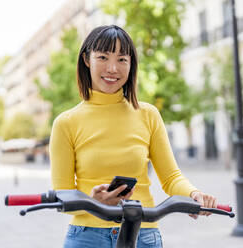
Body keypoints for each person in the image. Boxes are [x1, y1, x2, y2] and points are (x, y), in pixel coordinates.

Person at [49, 25, 217, 248]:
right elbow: (63, 194)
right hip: (87, 237)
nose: (112, 68)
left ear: (131, 65)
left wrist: (194, 194)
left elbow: (171, 177)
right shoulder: (66, 123)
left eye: (121, 60)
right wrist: (92, 201)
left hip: (143, 233)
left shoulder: (148, 115)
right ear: (87, 60)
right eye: (103, 57)